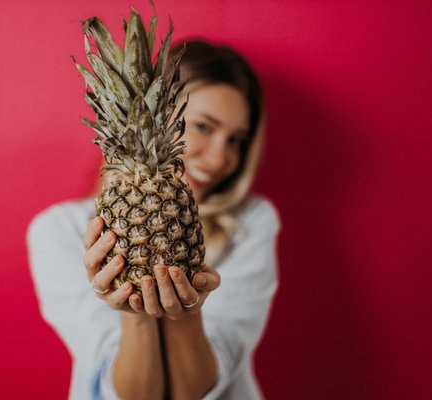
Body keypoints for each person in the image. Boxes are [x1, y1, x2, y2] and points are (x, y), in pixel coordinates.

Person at [26, 39, 281, 400]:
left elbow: (204, 387)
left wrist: (186, 313)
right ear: (157, 121)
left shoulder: (253, 222)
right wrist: (137, 312)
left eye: (236, 141)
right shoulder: (59, 231)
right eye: (204, 128)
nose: (219, 159)